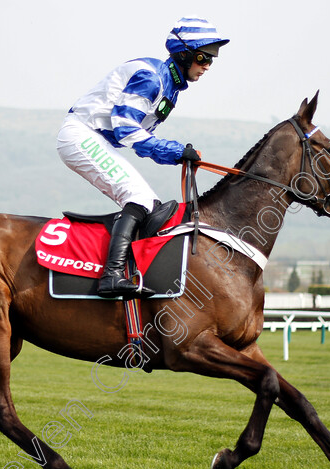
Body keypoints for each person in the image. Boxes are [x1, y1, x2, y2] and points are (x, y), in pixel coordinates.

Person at [57, 15, 229, 298]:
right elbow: (126, 131)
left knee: (148, 203)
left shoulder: (171, 88)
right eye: (202, 57)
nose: (207, 66)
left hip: (94, 139)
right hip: (81, 135)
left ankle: (125, 270)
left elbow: (136, 136)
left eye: (212, 59)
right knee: (138, 198)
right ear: (183, 54)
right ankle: (111, 276)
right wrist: (174, 151)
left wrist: (177, 154)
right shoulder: (151, 77)